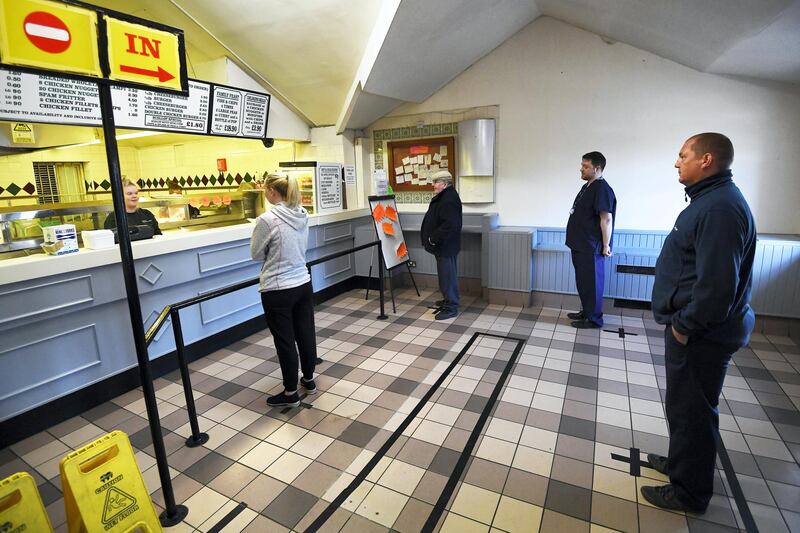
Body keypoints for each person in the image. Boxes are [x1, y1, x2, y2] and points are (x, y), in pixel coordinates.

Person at [642, 133, 756, 513]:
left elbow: (718, 287)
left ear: (706, 160)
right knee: (684, 407)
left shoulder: (719, 209)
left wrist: (684, 326)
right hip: (700, 329)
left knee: (693, 410)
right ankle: (681, 466)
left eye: (682, 155)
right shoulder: (711, 200)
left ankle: (689, 493)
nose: (677, 162)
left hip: (702, 334)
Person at [250, 173, 318, 407]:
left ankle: (290, 393)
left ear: (271, 191)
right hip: (302, 281)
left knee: (285, 341)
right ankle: (308, 380)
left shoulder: (267, 219)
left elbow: (256, 254)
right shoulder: (302, 213)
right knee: (306, 332)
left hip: (277, 288)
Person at [565, 151, 616, 329]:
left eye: (585, 166)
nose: (582, 169)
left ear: (597, 168)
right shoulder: (588, 186)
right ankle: (587, 311)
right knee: (584, 282)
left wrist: (605, 245)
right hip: (580, 244)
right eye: (582, 165)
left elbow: (606, 219)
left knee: (593, 283)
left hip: (591, 246)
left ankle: (594, 319)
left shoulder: (602, 189)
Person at [421, 170, 462, 320]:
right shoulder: (446, 196)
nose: (433, 185)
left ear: (444, 184)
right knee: (446, 275)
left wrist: (433, 238)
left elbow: (450, 225)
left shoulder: (448, 199)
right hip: (445, 246)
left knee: (447, 275)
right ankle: (448, 299)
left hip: (445, 245)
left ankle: (451, 306)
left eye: (436, 182)